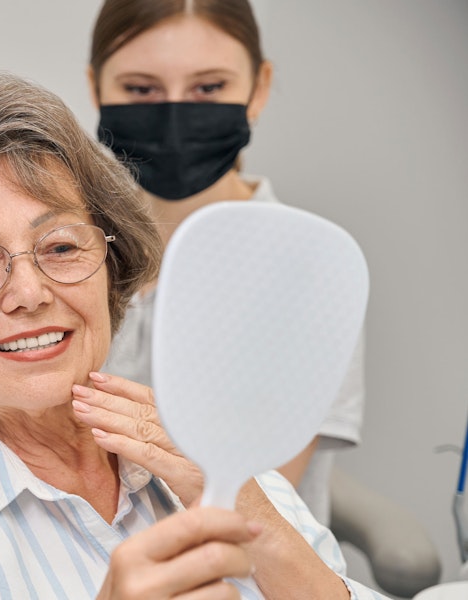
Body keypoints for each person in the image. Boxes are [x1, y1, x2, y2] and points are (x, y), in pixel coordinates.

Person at [0, 72, 386, 598]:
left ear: (111, 270)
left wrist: (259, 524)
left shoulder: (211, 455)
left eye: (61, 247)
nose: (31, 293)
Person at [88, 0, 365, 524]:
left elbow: (258, 504)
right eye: (141, 89)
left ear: (258, 88)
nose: (173, 114)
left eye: (208, 88)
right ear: (95, 86)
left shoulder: (309, 266)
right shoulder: (67, 250)